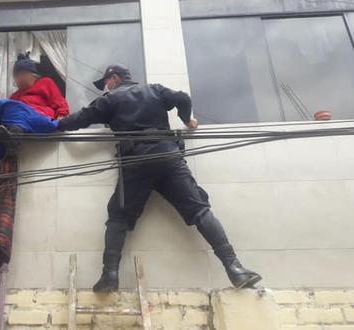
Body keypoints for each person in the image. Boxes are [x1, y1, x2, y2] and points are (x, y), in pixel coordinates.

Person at [58, 64, 262, 292]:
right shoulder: (154, 90)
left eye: (106, 82)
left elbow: (81, 118)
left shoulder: (110, 100)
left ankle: (110, 276)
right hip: (168, 157)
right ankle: (235, 268)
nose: (105, 87)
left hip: (135, 162)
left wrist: (55, 125)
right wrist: (187, 120)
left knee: (119, 218)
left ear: (114, 79)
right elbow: (182, 98)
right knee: (199, 211)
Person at [0, 53, 67, 164]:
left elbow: (58, 101)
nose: (17, 79)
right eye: (16, 76)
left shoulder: (46, 83)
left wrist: (62, 116)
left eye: (20, 75)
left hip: (40, 119)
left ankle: (3, 146)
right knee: (3, 109)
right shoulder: (16, 95)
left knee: (17, 111)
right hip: (21, 123)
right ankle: (1, 148)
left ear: (32, 75)